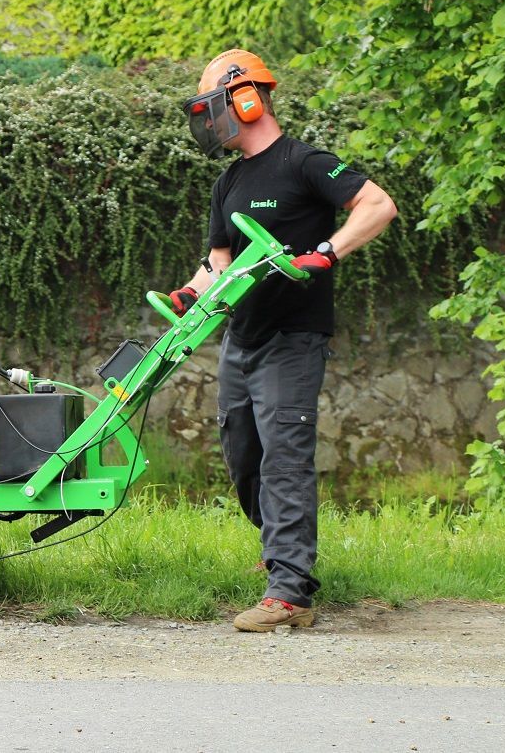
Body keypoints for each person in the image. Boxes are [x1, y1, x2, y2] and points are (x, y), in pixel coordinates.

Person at [169, 49, 397, 632]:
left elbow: (378, 205)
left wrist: (326, 252)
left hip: (293, 337)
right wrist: (190, 293)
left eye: (213, 108)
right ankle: (278, 553)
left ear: (246, 100)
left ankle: (290, 591)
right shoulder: (229, 181)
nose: (208, 122)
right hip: (241, 339)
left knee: (285, 457)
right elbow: (218, 261)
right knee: (242, 453)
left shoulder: (304, 163)